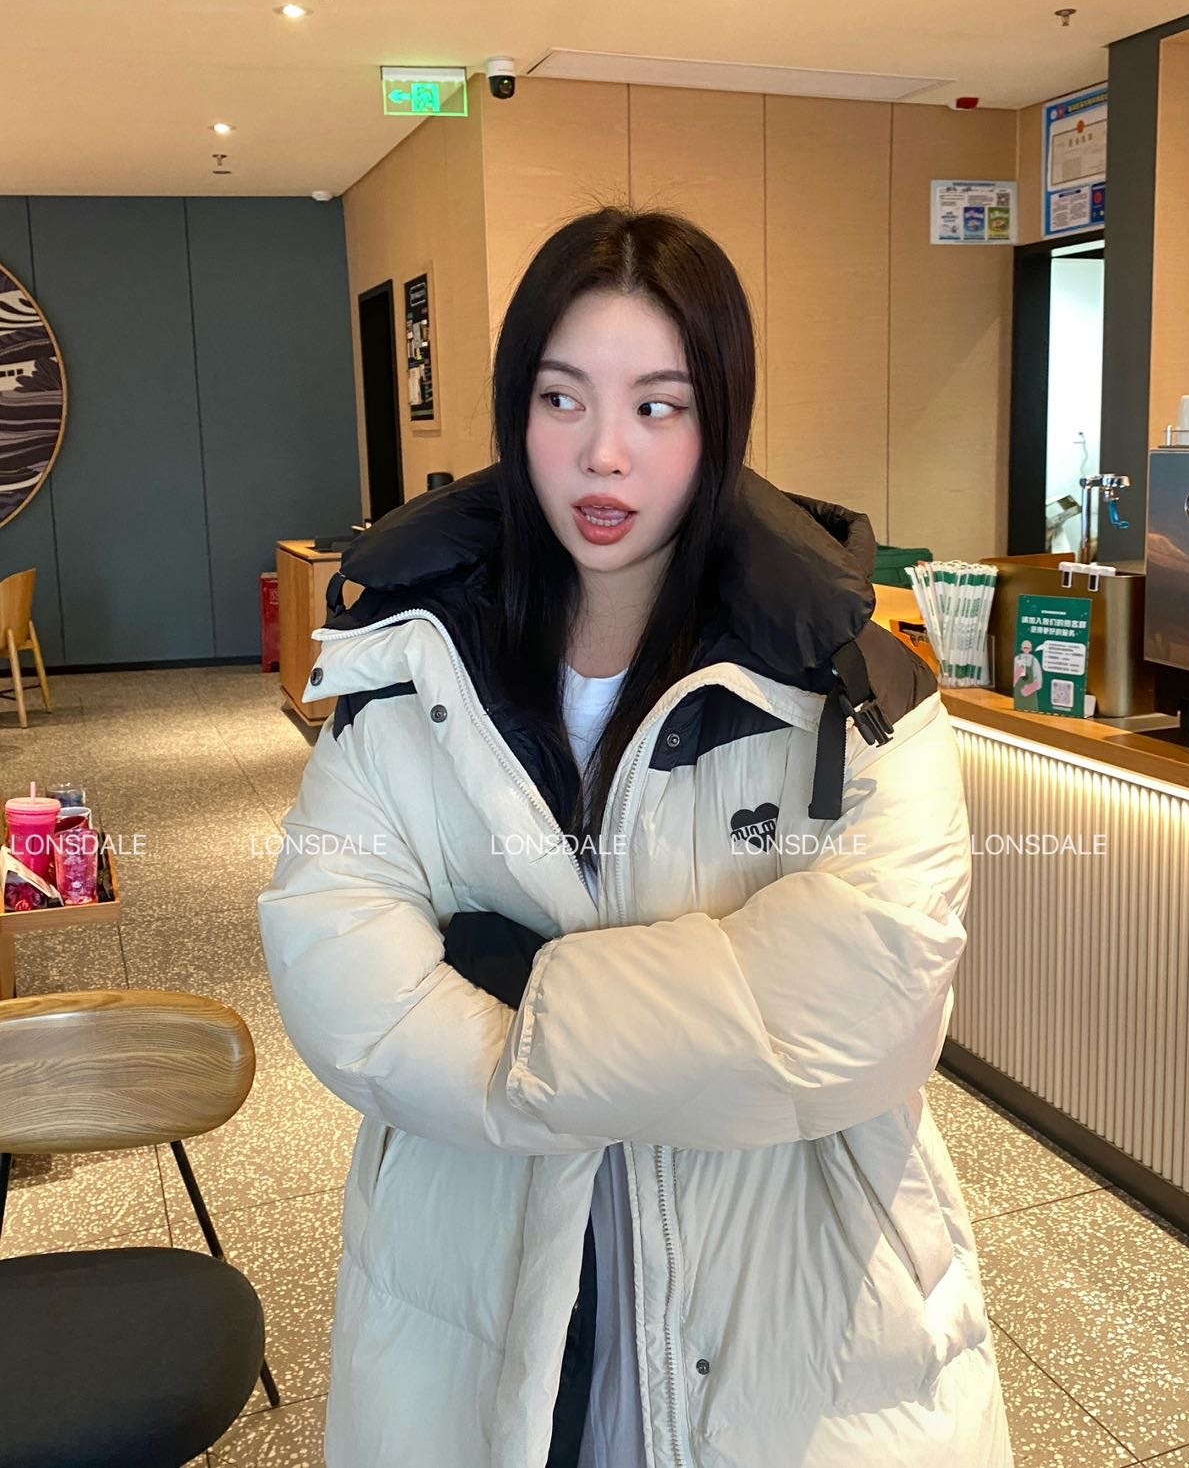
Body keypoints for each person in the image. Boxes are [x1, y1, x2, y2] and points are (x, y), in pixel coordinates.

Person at [258, 207, 1014, 1467]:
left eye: (658, 407)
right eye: (561, 400)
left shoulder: (842, 678)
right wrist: (673, 1018)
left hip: (791, 1283)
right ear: (515, 412)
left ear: (720, 420)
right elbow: (333, 948)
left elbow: (865, 999)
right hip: (473, 1252)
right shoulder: (409, 655)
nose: (603, 455)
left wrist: (512, 994)